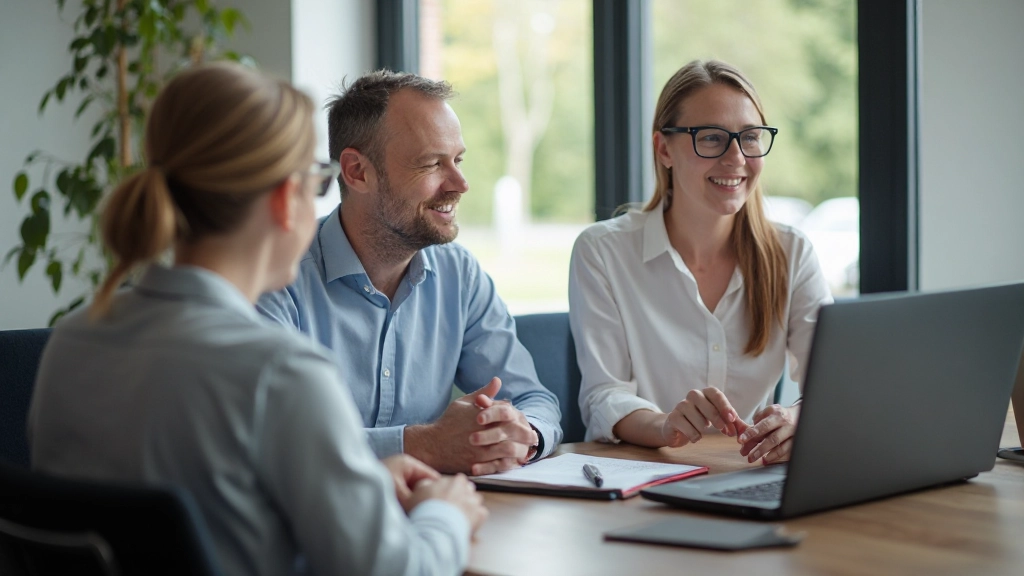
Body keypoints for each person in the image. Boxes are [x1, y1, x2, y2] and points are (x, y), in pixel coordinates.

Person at [28, 62, 486, 576]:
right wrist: (445, 514)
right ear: (284, 201)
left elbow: (210, 504)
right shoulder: (279, 373)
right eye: (316, 182)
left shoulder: (71, 342)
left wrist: (363, 478)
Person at [257, 70, 563, 476]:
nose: (460, 183)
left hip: (439, 512)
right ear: (357, 172)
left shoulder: (460, 275)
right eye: (432, 164)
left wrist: (522, 434)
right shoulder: (277, 279)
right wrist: (425, 445)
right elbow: (272, 440)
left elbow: (534, 400)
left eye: (457, 160)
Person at [568, 59, 832, 465]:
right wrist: (664, 426)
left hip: (747, 476)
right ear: (663, 148)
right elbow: (604, 395)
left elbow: (832, 386)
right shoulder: (603, 251)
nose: (736, 158)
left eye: (750, 137)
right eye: (711, 138)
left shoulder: (791, 253)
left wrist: (796, 418)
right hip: (640, 478)